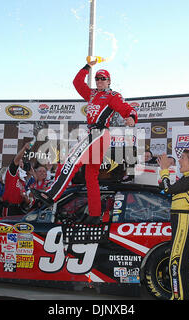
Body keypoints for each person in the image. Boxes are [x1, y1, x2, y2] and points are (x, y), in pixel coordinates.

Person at [32, 60, 137, 224]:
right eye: (97, 78)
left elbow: (125, 108)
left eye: (103, 78)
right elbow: (77, 82)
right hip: (96, 134)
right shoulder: (92, 94)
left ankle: (51, 194)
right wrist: (88, 67)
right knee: (90, 175)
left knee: (71, 160)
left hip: (99, 133)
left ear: (109, 81)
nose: (99, 81)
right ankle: (95, 214)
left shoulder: (113, 95)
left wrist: (131, 117)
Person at [157, 149, 189, 300]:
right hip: (179, 220)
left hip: (183, 220)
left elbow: (167, 188)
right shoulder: (187, 177)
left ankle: (177, 297)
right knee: (182, 263)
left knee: (175, 262)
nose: (179, 160)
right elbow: (165, 189)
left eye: (183, 158)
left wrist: (164, 170)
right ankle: (186, 296)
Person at [1, 143, 31, 217]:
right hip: (9, 207)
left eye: (22, 162)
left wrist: (25, 198)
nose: (21, 163)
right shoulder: (12, 172)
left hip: (19, 208)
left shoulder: (23, 179)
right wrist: (24, 148)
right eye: (20, 162)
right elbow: (16, 160)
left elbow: (26, 201)